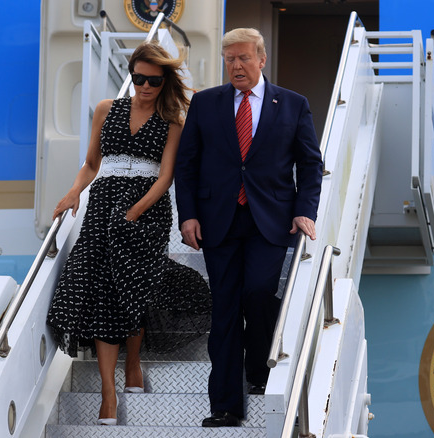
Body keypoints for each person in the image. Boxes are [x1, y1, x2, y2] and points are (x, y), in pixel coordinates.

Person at [46, 42, 210, 426]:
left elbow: (166, 175)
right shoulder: (107, 109)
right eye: (139, 78)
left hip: (147, 211)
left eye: (154, 80)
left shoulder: (173, 120)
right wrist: (74, 192)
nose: (146, 86)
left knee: (133, 288)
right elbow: (91, 164)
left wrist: (134, 212)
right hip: (103, 206)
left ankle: (133, 362)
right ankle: (108, 393)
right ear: (130, 75)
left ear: (164, 80)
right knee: (103, 292)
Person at [174, 28, 323, 427]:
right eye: (229, 59)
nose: (236, 66)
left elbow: (310, 165)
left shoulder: (292, 104)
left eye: (243, 58)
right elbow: (186, 165)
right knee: (224, 311)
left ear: (261, 59)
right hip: (217, 221)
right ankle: (225, 405)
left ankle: (258, 369)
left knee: (257, 293)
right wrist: (186, 215)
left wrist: (304, 209)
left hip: (271, 220)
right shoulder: (206, 104)